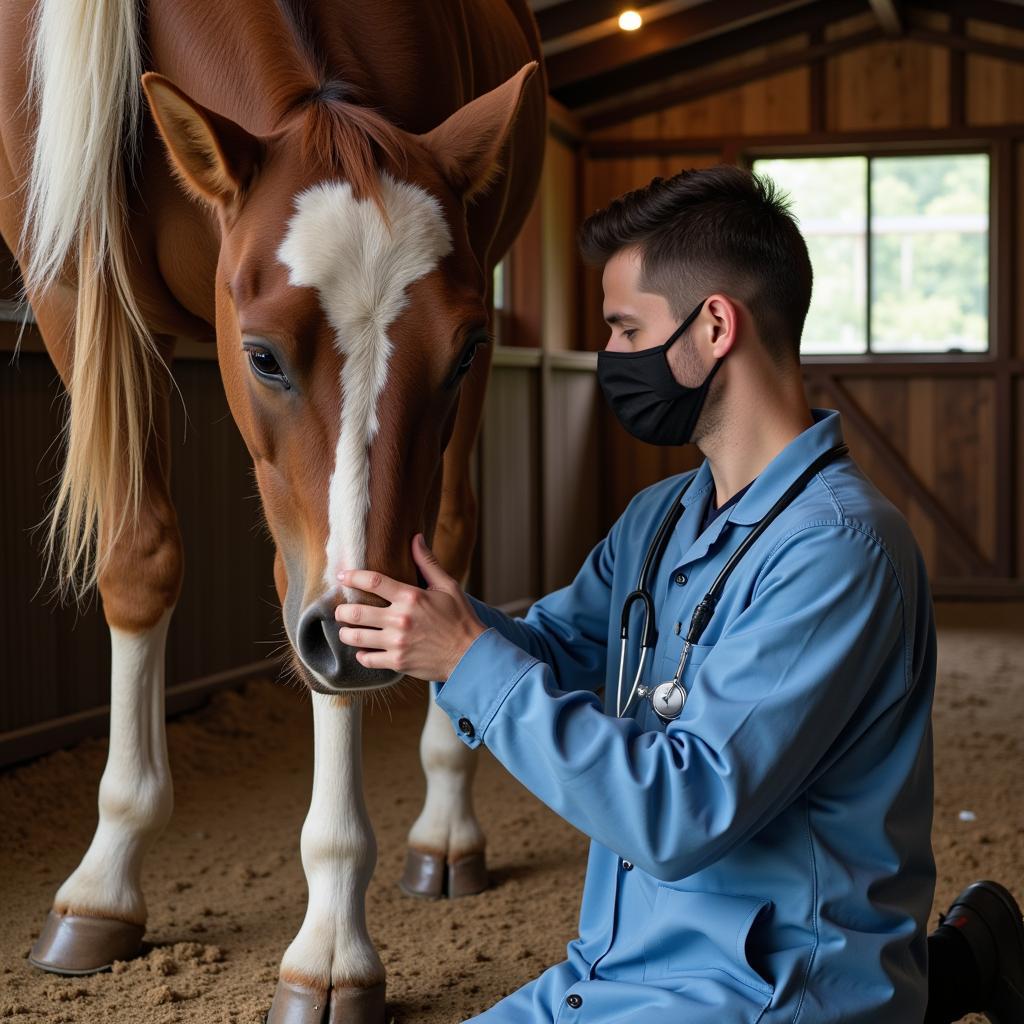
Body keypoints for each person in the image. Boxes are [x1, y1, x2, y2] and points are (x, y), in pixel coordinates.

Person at [334, 166, 1024, 1023]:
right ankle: (962, 964)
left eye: (627, 329)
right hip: (617, 973)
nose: (611, 358)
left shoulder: (839, 553)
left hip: (762, 997)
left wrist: (469, 661)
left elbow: (682, 813)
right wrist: (430, 621)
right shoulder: (662, 517)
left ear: (715, 326)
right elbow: (552, 646)